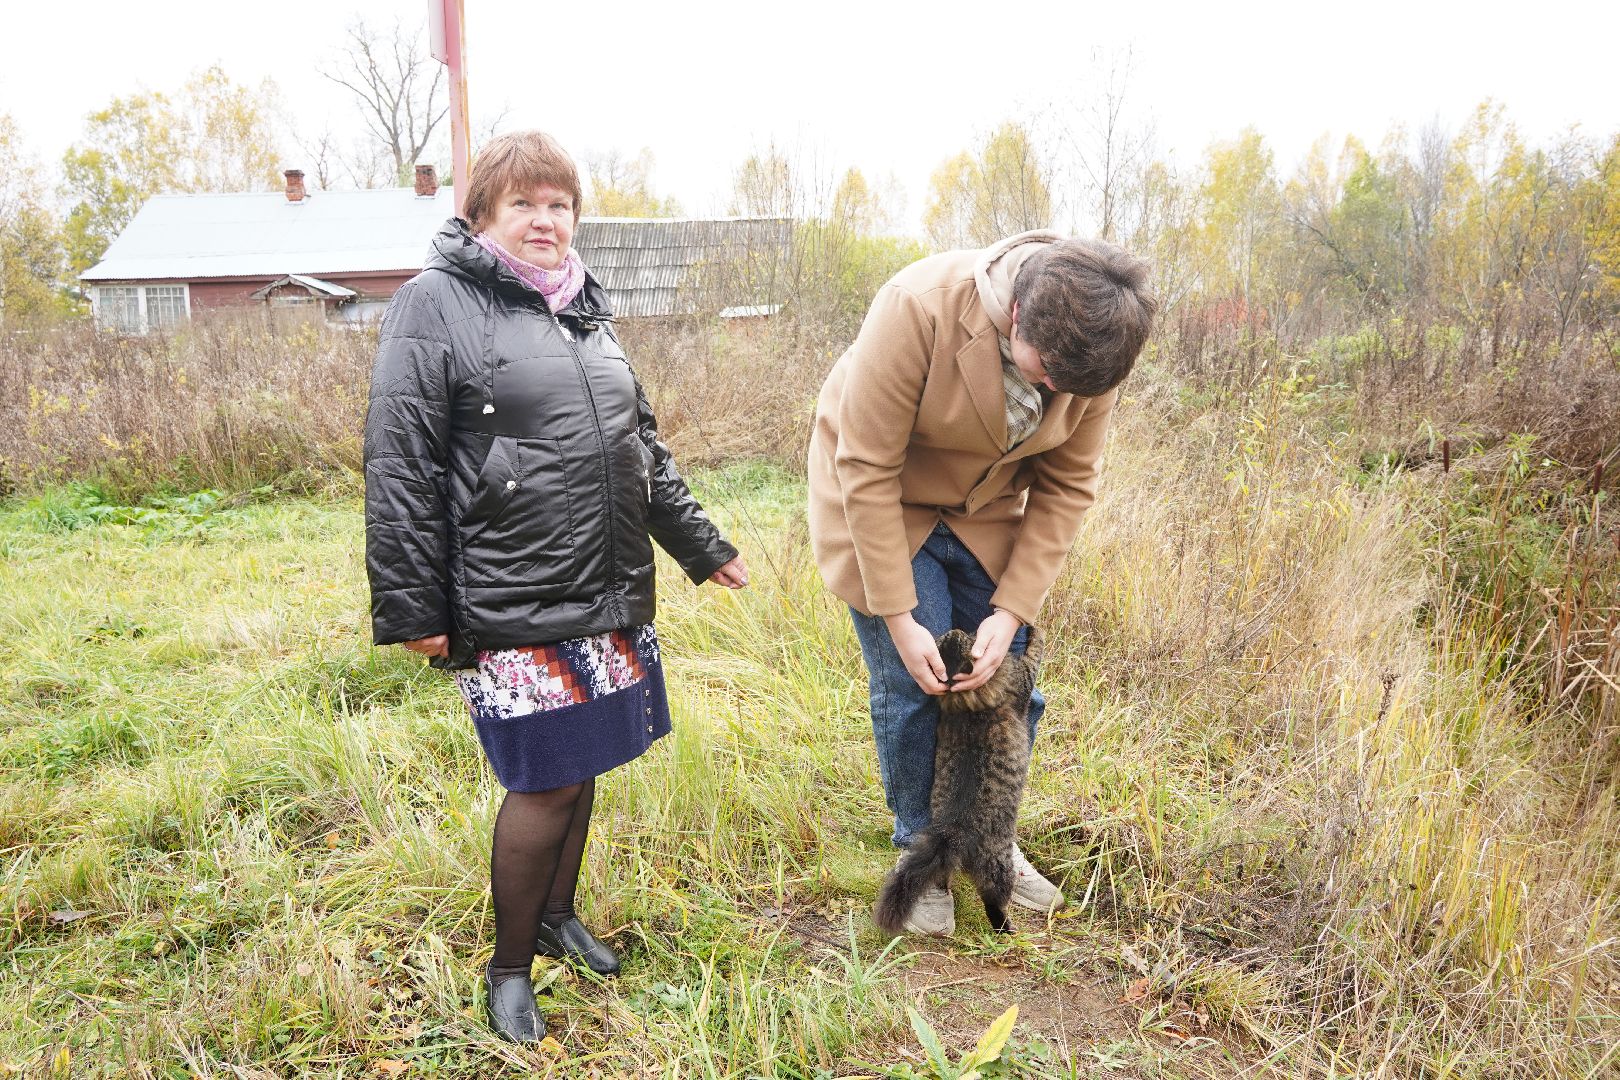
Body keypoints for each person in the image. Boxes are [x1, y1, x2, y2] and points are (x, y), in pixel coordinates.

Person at [363, 130, 748, 1043]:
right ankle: (508, 971)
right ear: (483, 214)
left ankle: (556, 916)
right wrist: (414, 605)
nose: (546, 221)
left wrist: (701, 546)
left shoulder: (584, 309)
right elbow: (399, 460)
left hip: (603, 586)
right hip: (510, 595)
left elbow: (638, 446)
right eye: (525, 204)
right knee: (543, 783)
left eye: (560, 205)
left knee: (582, 764)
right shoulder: (434, 303)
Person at [807, 230, 1155, 936]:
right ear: (1017, 315)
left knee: (1007, 681)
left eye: (1073, 388)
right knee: (918, 681)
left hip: (985, 511)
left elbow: (1067, 486)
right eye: (1046, 375)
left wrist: (1011, 610)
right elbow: (866, 467)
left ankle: (992, 841)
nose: (1056, 393)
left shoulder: (1095, 353)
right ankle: (922, 853)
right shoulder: (916, 306)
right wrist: (899, 617)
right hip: (883, 501)